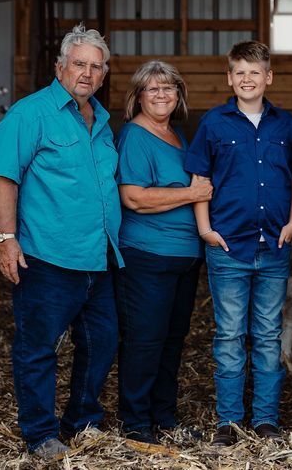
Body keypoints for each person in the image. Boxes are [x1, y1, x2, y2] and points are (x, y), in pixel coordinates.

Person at [0, 24, 123, 462]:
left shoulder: (101, 121)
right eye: (79, 64)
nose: (87, 73)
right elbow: (5, 177)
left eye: (95, 67)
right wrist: (7, 239)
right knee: (37, 348)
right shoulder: (29, 115)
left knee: (102, 341)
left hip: (97, 257)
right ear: (60, 67)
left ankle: (81, 419)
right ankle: (40, 433)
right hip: (46, 257)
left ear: (104, 75)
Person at [183, 40, 292, 446]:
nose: (247, 79)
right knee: (229, 335)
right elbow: (199, 181)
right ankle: (229, 422)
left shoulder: (285, 125)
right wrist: (205, 229)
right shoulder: (214, 123)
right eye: (239, 72)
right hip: (228, 247)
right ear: (229, 78)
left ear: (268, 78)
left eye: (255, 72)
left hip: (273, 246)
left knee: (269, 335)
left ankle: (266, 420)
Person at [114, 60, 213, 444]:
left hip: (183, 258)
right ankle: (136, 422)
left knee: (172, 338)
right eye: (152, 88)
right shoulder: (135, 136)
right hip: (147, 255)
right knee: (145, 338)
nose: (161, 95)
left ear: (179, 95)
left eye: (168, 88)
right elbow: (134, 198)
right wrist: (192, 193)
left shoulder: (176, 135)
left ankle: (163, 416)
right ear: (138, 96)